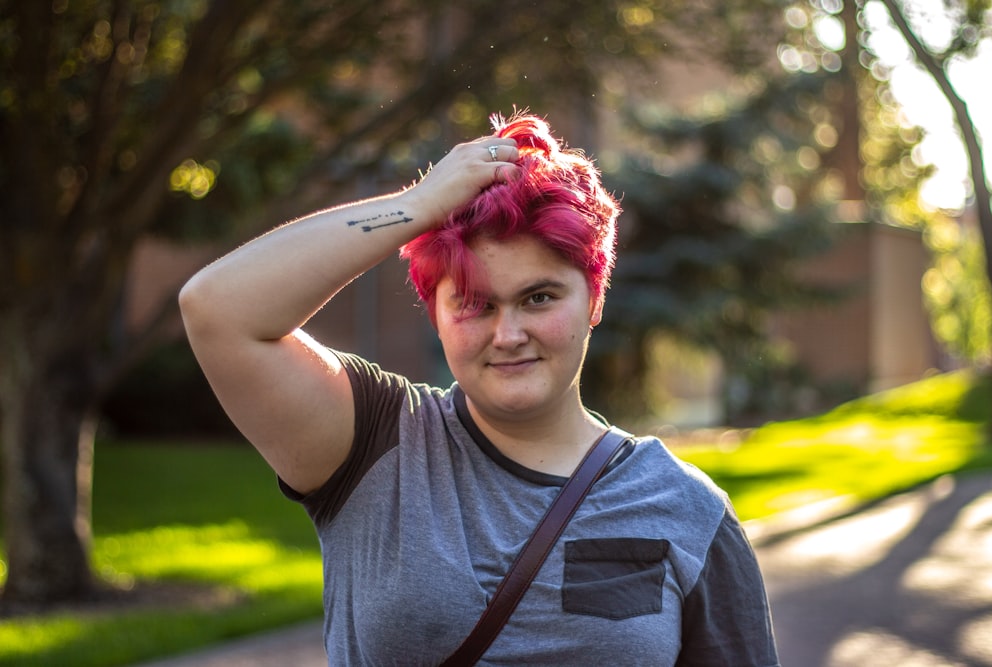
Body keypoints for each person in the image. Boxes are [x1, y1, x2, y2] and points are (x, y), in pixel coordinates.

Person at [179, 111, 780, 666]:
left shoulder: (686, 511)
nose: (508, 334)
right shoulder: (372, 442)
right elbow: (216, 309)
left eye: (539, 297)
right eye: (473, 303)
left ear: (594, 300)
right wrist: (419, 206)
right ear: (434, 312)